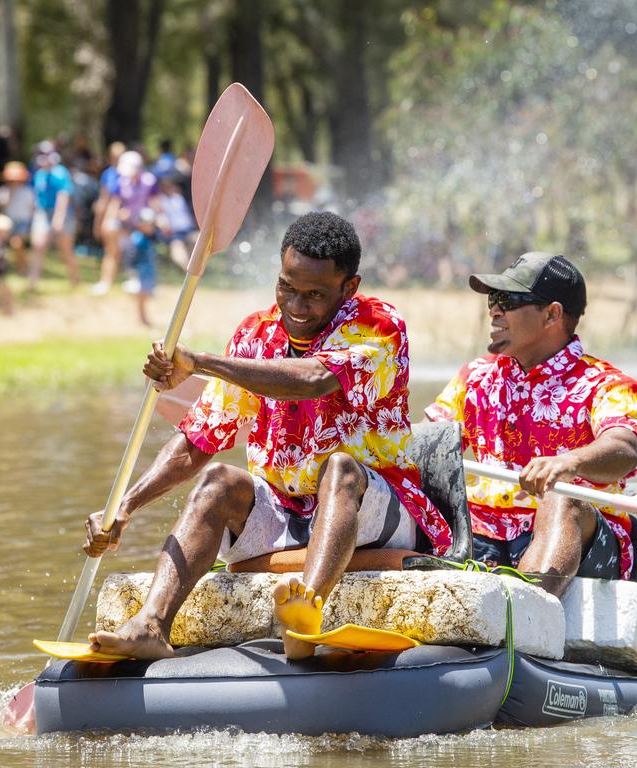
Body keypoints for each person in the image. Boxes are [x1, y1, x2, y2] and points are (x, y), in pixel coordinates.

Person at [83, 211, 449, 661]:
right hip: (286, 511)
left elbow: (313, 379)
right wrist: (126, 504)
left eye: (314, 295)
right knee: (219, 480)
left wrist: (199, 363)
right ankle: (151, 625)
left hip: (373, 510)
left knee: (341, 467)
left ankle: (304, 615)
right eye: (287, 287)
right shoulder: (255, 333)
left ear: (348, 288)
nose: (296, 307)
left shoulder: (378, 325)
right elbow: (201, 435)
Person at [423, 252, 637, 596]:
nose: (494, 311)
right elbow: (423, 443)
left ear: (552, 315)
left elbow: (625, 448)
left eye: (508, 301)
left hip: (579, 543)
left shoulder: (606, 383)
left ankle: (523, 608)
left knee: (560, 498)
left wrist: (568, 463)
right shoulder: (475, 377)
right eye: (492, 300)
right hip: (483, 538)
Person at [91, 149, 159, 295]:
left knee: (138, 250)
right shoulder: (121, 182)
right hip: (125, 223)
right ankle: (106, 282)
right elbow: (115, 204)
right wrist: (109, 220)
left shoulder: (149, 182)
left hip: (142, 224)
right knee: (112, 251)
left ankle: (140, 282)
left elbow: (155, 205)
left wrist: (154, 219)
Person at [29, 142, 78, 290]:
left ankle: (75, 280)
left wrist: (59, 218)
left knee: (66, 249)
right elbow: (36, 195)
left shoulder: (60, 172)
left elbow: (63, 196)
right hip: (43, 213)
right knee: (38, 245)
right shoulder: (39, 174)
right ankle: (33, 282)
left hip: (61, 213)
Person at [0, 161, 34, 274]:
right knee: (9, 245)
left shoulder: (27, 191)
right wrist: (11, 193)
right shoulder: (5, 190)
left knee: (17, 243)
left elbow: (32, 207)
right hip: (9, 221)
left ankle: (22, 266)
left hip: (23, 221)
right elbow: (3, 205)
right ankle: (17, 265)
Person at [156, 174, 198, 270]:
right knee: (177, 247)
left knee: (199, 241)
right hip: (173, 233)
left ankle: (197, 269)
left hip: (188, 230)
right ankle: (188, 271)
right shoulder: (160, 200)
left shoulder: (179, 198)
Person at [127, 208, 159, 326]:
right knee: (140, 296)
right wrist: (132, 271)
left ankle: (144, 317)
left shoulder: (149, 238)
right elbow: (131, 257)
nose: (150, 227)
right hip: (141, 272)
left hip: (148, 272)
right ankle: (141, 318)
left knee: (145, 296)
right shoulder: (137, 239)